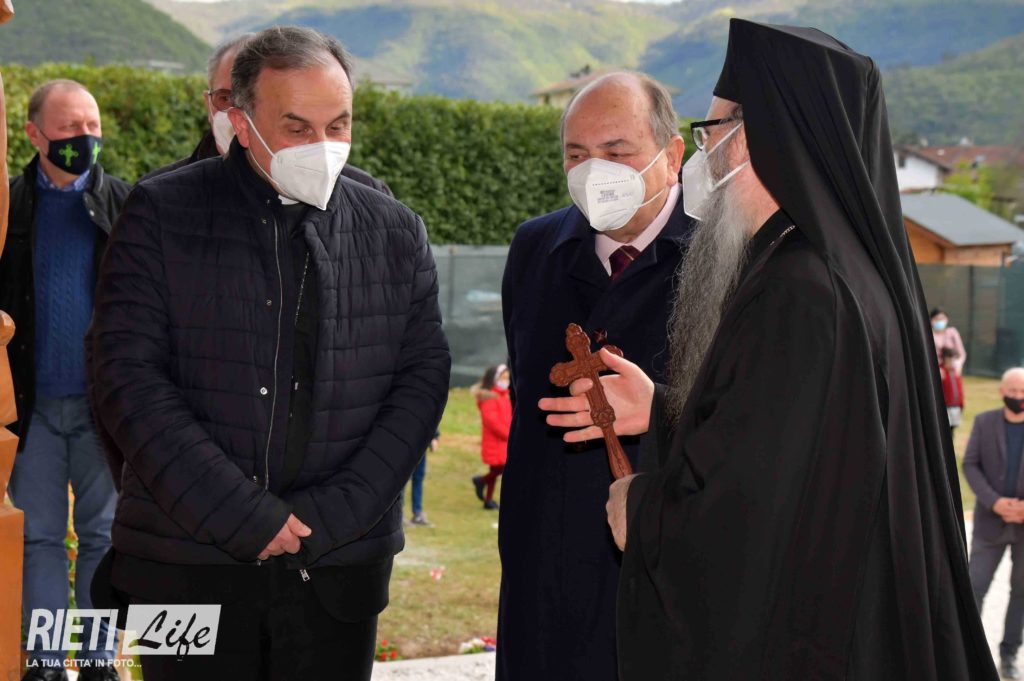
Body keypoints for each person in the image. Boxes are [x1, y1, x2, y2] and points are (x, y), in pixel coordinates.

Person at [539, 20, 996, 680]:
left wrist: (642, 507)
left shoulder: (801, 290)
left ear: (757, 138)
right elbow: (786, 446)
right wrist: (663, 409)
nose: (705, 155)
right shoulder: (823, 269)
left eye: (712, 130)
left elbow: (752, 514)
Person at [87, 26, 449, 681]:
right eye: (297, 127)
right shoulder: (159, 212)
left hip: (337, 569)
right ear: (241, 122)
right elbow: (125, 378)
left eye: (338, 125)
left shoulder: (394, 230)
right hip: (181, 563)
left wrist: (330, 515)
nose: (322, 146)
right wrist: (240, 512)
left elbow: (420, 383)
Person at [499, 71, 693, 680]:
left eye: (617, 151)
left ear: (673, 155)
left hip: (661, 570)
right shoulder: (534, 248)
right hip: (542, 569)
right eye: (576, 154)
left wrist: (662, 409)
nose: (594, 171)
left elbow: (754, 420)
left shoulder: (726, 257)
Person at [0, 79, 130, 681]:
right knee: (39, 538)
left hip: (104, 408)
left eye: (92, 126)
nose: (85, 138)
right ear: (34, 134)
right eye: (70, 127)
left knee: (104, 535)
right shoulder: (9, 209)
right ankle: (48, 663)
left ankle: (100, 661)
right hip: (32, 410)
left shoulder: (127, 205)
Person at [138, 34, 392, 197]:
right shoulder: (156, 197)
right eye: (227, 98)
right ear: (209, 104)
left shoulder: (370, 196)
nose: (239, 111)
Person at [964, 367, 1024, 680]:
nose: (1018, 397)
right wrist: (995, 502)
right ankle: (968, 653)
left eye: (1023, 392)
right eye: (1012, 391)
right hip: (989, 523)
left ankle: (1009, 655)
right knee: (974, 587)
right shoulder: (984, 422)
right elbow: (970, 464)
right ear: (1002, 392)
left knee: (1021, 593)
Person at [471, 364, 510, 510]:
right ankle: (481, 481)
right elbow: (492, 422)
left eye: (507, 378)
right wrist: (508, 434)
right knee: (498, 469)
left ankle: (487, 498)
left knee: (495, 471)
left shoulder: (503, 396)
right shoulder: (490, 398)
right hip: (495, 441)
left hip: (503, 441)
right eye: (502, 378)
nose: (505, 381)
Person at [404, 430, 440, 526]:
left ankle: (417, 514)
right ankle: (399, 514)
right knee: (403, 480)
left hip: (421, 444)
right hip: (406, 443)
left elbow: (431, 421)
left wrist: (435, 436)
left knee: (418, 478)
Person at [932, 307, 967, 374]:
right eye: (936, 319)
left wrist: (958, 364)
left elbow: (962, 353)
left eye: (942, 319)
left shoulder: (952, 332)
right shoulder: (928, 335)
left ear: (947, 319)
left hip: (952, 370)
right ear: (931, 320)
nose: (939, 321)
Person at [940, 347, 965, 434]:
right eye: (949, 359)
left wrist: (961, 404)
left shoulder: (955, 372)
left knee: (952, 431)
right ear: (944, 359)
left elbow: (959, 390)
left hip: (955, 406)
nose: (952, 361)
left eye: (953, 359)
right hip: (946, 407)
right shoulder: (941, 371)